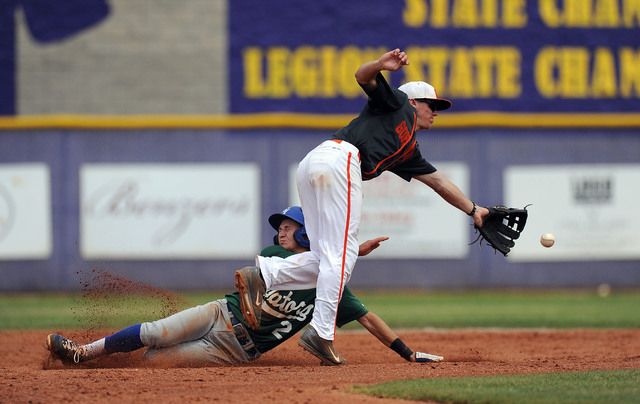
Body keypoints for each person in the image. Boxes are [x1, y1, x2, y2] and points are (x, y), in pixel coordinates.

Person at [235, 48, 490, 365]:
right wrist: (380, 66)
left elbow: (440, 182)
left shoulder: (409, 150)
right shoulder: (397, 104)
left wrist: (473, 210)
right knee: (340, 255)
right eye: (431, 104)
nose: (435, 111)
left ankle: (265, 274)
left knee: (326, 254)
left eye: (438, 107)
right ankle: (322, 334)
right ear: (413, 101)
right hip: (339, 159)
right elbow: (363, 76)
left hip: (317, 163)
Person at [46, 206, 443, 366]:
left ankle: (108, 364)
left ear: (306, 234)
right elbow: (250, 277)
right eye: (281, 228)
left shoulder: (332, 286)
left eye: (288, 227)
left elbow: (370, 320)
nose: (281, 232)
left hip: (233, 349)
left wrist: (407, 353)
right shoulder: (274, 254)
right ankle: (83, 353)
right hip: (220, 312)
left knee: (153, 361)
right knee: (155, 331)